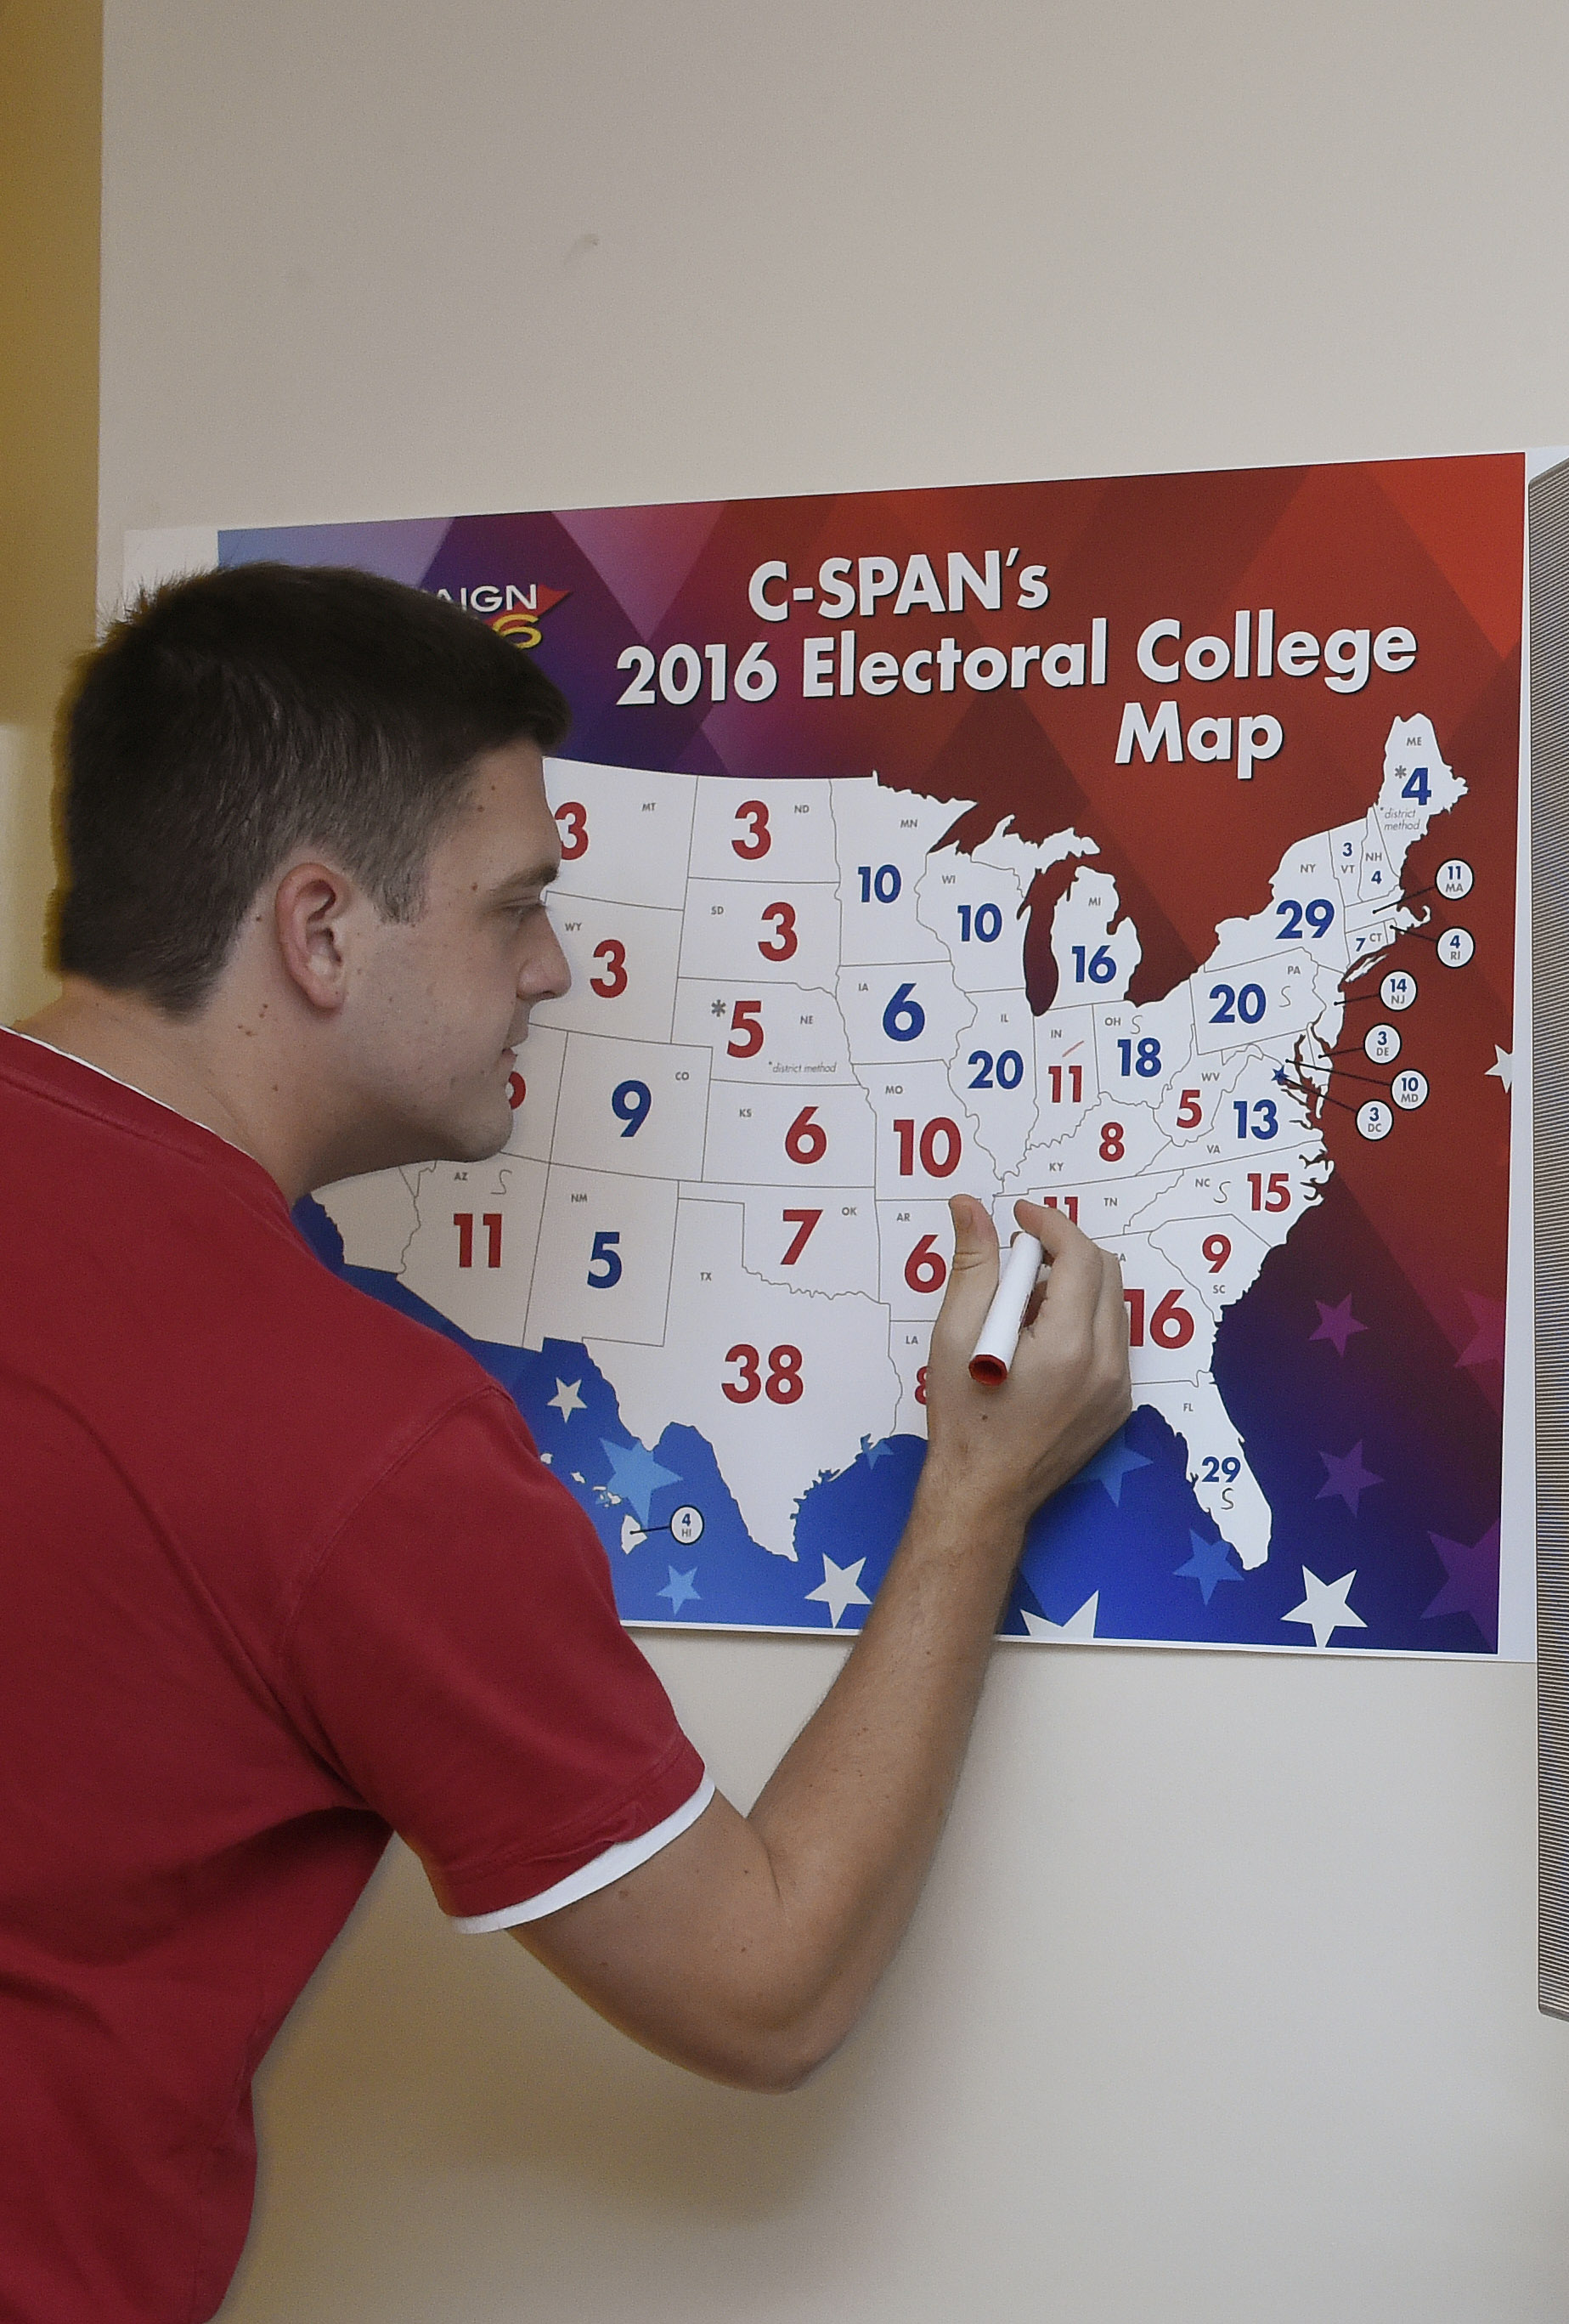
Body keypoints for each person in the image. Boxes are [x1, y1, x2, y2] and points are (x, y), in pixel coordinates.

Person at [0, 563, 1136, 2324]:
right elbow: (760, 1984)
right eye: (514, 901)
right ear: (319, 929)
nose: (553, 964)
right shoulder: (348, 1439)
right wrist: (975, 1494)